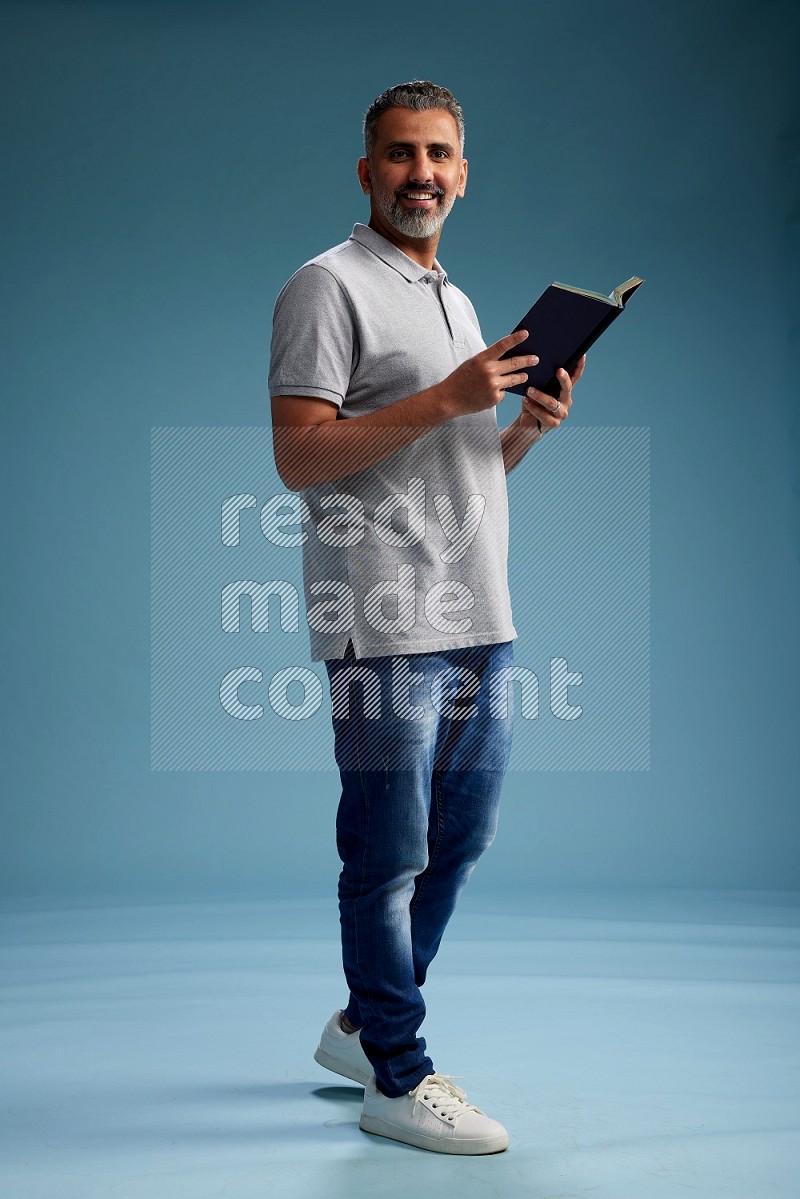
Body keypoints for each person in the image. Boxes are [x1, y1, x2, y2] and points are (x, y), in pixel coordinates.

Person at [269, 80, 586, 1155]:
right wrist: (448, 397)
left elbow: (451, 472)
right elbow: (301, 454)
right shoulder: (326, 287)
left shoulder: (449, 294)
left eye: (439, 154)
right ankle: (398, 1074)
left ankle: (363, 1025)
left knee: (460, 837)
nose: (422, 173)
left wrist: (522, 428)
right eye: (401, 154)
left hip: (477, 611)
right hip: (382, 618)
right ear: (367, 171)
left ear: (461, 170)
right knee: (387, 848)